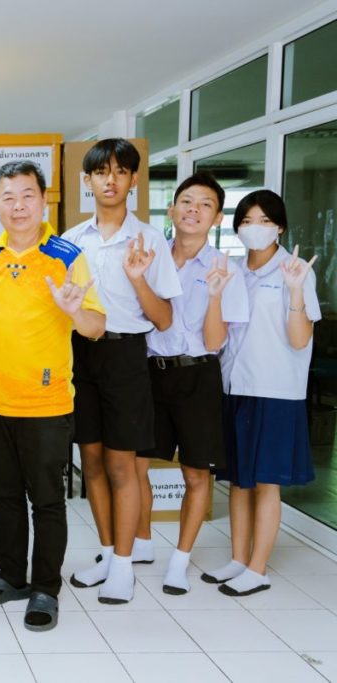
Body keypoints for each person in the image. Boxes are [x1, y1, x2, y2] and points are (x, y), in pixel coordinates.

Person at [0, 160, 105, 631]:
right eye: (8, 196)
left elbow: (96, 326)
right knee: (1, 497)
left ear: (44, 200)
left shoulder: (66, 256)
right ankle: (11, 576)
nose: (18, 205)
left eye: (27, 195)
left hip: (46, 404)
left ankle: (45, 587)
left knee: (46, 500)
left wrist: (73, 310)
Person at [61, 138, 182, 604]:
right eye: (100, 172)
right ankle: (109, 554)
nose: (109, 180)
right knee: (89, 459)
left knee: (121, 463)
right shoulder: (71, 240)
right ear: (87, 180)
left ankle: (126, 566)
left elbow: (165, 319)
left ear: (133, 180)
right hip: (81, 356)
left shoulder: (149, 239)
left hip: (127, 356)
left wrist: (137, 278)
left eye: (120, 172)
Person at [135, 173, 249, 595]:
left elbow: (217, 341)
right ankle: (141, 543)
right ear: (171, 209)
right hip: (150, 371)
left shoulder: (225, 268)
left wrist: (216, 296)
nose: (193, 210)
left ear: (216, 217)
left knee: (196, 474)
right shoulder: (150, 258)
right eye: (186, 201)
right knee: (135, 465)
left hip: (198, 375)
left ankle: (179, 561)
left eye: (204, 204)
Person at [201, 190, 318, 596]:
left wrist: (297, 292)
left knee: (267, 482)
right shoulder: (231, 270)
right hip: (236, 386)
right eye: (247, 220)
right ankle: (237, 558)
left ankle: (258, 567)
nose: (255, 228)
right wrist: (214, 295)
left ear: (280, 227)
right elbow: (219, 336)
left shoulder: (297, 269)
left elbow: (301, 339)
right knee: (237, 481)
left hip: (276, 389)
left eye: (265, 221)